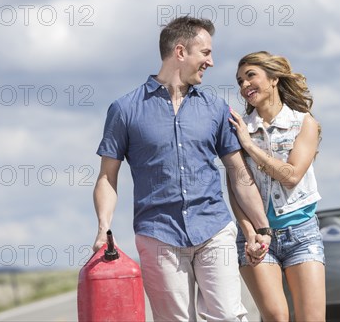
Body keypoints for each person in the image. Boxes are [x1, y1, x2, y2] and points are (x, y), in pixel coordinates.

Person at [92, 16, 271, 321]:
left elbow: (238, 173)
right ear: (180, 52)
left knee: (229, 316)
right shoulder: (124, 110)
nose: (211, 62)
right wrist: (103, 227)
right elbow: (108, 176)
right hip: (158, 235)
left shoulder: (215, 108)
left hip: (213, 228)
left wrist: (261, 227)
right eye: (205, 53)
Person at [228, 51, 326, 321]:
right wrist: (249, 233)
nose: (244, 85)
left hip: (302, 235)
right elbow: (236, 187)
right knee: (275, 316)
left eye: (250, 76)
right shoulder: (237, 127)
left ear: (273, 79)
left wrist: (249, 146)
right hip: (258, 237)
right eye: (239, 81)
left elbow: (291, 175)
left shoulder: (304, 122)